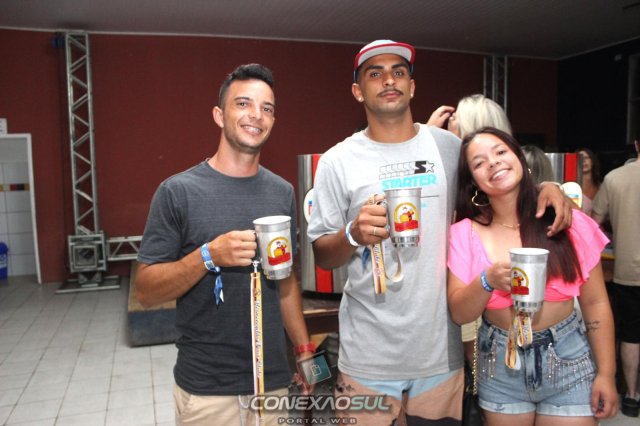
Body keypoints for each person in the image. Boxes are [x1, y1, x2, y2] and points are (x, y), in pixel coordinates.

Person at [306, 39, 572, 425]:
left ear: (412, 86)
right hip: (368, 354)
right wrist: (352, 234)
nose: (389, 80)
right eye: (375, 74)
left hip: (438, 352)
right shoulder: (337, 161)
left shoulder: (448, 148)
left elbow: (499, 188)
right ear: (357, 91)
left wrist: (547, 187)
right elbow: (323, 254)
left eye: (398, 72)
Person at [135, 64, 313, 426]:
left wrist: (306, 351)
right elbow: (146, 292)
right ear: (219, 115)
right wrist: (208, 256)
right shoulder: (178, 192)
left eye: (267, 108)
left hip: (272, 383)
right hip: (207, 391)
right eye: (243, 104)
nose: (256, 115)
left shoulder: (282, 192)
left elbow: (286, 282)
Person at [447, 127, 618, 425]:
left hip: (568, 358)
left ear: (519, 158)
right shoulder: (463, 233)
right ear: (473, 181)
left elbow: (596, 304)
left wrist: (607, 373)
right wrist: (487, 281)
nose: (493, 162)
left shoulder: (565, 219)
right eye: (479, 162)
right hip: (500, 365)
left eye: (501, 152)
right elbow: (460, 313)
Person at [430, 94, 515, 363]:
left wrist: (434, 137)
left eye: (456, 120)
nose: (450, 124)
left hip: (484, 288)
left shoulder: (486, 180)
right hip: (465, 285)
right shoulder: (457, 174)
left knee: (479, 358)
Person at [592, 140, 640, 417]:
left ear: (636, 145)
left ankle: (631, 397)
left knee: (631, 335)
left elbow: (594, 222)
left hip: (627, 270)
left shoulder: (614, 178)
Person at [576, 147, 602, 215]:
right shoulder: (572, 189)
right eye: (580, 158)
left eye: (586, 158)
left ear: (592, 161)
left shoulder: (602, 187)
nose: (583, 161)